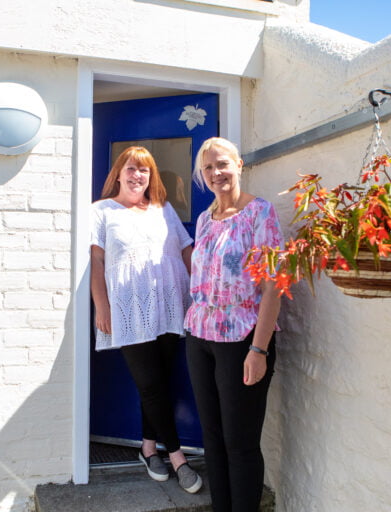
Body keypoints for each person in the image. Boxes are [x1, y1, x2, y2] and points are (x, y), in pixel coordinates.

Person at [90, 146, 203, 494]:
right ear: (118, 173)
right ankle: (179, 458)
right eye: (132, 168)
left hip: (170, 304)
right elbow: (95, 262)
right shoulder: (101, 212)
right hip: (129, 309)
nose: (138, 175)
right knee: (152, 386)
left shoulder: (163, 209)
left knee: (159, 384)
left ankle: (148, 448)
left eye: (145, 170)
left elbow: (186, 249)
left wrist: (203, 291)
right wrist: (102, 306)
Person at [184, 137, 283, 511]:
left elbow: (274, 285)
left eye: (222, 164)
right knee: (212, 438)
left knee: (240, 443)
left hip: (242, 340)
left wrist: (259, 349)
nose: (216, 173)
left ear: (239, 164)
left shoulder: (260, 213)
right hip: (199, 338)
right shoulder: (205, 219)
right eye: (208, 168)